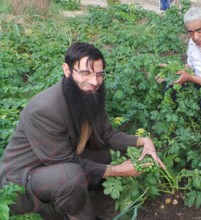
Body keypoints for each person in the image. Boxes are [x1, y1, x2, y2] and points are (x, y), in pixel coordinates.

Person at [0, 43, 166, 220]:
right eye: (85, 73)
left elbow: (107, 134)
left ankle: (82, 189)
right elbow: (65, 161)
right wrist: (118, 170)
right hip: (25, 174)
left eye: (99, 74)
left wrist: (143, 142)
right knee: (71, 177)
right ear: (67, 70)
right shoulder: (44, 110)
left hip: (61, 159)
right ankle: (77, 215)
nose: (94, 82)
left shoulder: (88, 93)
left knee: (111, 154)